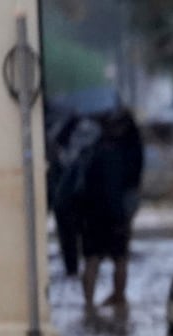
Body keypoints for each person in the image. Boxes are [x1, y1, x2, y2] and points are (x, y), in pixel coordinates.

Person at [77, 107, 143, 309]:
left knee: (94, 259)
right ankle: (116, 298)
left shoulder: (96, 149)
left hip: (95, 214)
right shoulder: (128, 151)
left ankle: (91, 303)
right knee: (117, 258)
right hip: (114, 214)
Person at [46, 109, 100, 278]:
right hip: (71, 197)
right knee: (75, 237)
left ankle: (75, 268)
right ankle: (76, 267)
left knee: (75, 237)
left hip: (76, 196)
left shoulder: (86, 131)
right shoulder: (86, 130)